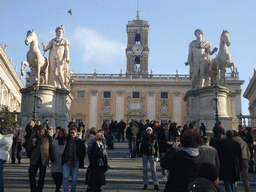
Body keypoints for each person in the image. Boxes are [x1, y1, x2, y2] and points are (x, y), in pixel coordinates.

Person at [27, 125, 54, 192]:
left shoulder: (48, 137)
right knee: (31, 175)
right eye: (39, 132)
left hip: (44, 159)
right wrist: (33, 144)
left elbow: (51, 148)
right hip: (34, 158)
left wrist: (52, 158)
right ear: (37, 131)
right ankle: (33, 189)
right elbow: (28, 148)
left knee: (42, 177)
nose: (40, 133)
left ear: (44, 131)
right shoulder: (33, 137)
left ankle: (39, 190)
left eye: (42, 131)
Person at [62, 126, 86, 192]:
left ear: (76, 133)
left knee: (74, 179)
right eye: (70, 133)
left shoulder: (80, 141)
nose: (71, 134)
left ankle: (73, 190)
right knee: (65, 177)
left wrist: (80, 159)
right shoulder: (67, 140)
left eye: (73, 133)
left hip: (75, 161)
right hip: (66, 161)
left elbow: (83, 152)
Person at [51, 127, 67, 192]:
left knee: (60, 175)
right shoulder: (55, 141)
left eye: (62, 134)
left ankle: (58, 188)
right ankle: (57, 186)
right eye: (60, 134)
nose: (61, 135)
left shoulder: (66, 142)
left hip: (62, 160)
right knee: (54, 174)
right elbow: (52, 149)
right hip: (55, 159)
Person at [0, 128, 14, 192]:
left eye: (6, 130)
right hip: (3, 156)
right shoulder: (8, 138)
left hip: (1, 156)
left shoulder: (6, 139)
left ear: (8, 131)